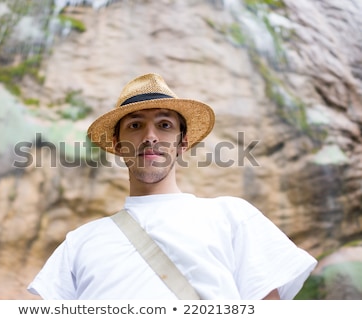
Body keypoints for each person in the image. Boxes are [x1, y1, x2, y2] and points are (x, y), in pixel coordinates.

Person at [27, 73, 317, 300]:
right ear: (117, 144)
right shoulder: (79, 243)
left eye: (164, 125)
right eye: (135, 125)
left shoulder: (233, 217)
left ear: (183, 143)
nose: (150, 137)